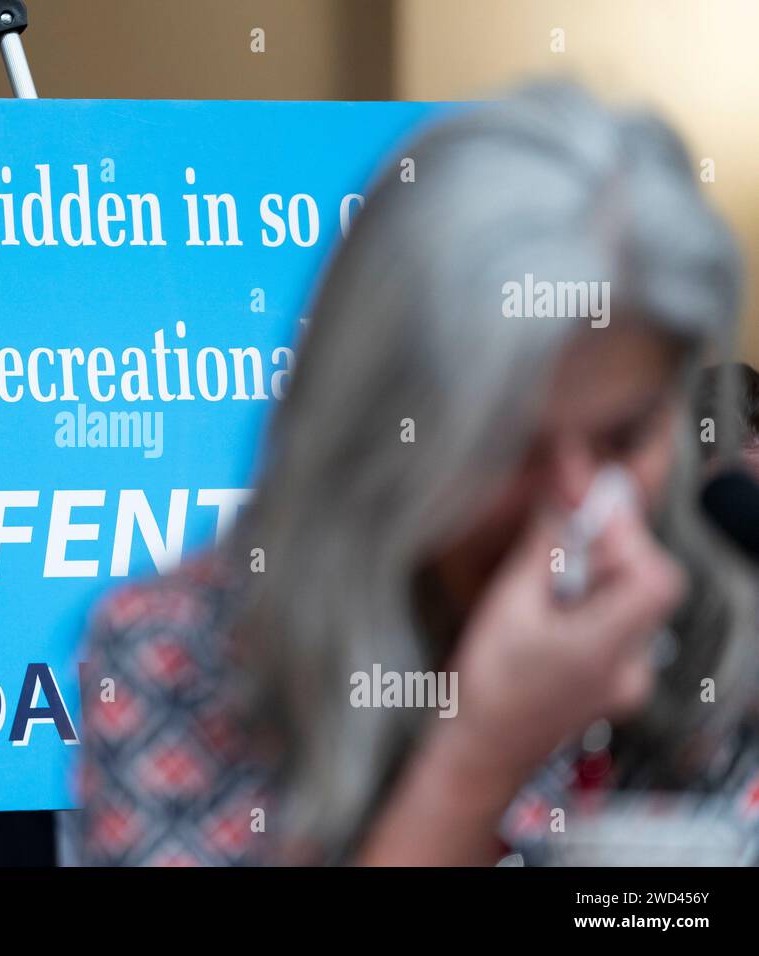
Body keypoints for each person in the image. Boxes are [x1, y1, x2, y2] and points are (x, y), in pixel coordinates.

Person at [77, 83, 759, 866]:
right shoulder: (185, 657)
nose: (578, 504)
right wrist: (476, 761)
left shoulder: (724, 642)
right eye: (507, 446)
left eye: (623, 438)